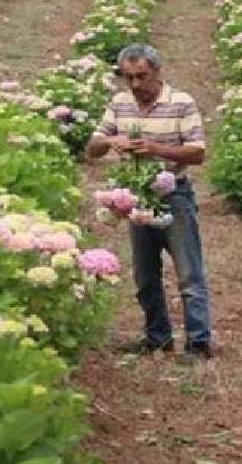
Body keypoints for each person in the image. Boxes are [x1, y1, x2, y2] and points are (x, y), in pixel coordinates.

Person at [86, 43, 213, 359]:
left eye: (141, 76)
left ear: (157, 71)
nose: (135, 85)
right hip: (137, 197)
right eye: (128, 77)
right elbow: (93, 147)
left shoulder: (181, 103)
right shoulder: (120, 103)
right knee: (145, 275)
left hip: (174, 195)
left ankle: (198, 342)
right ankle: (158, 337)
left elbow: (197, 152)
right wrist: (110, 141)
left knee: (188, 273)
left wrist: (156, 149)